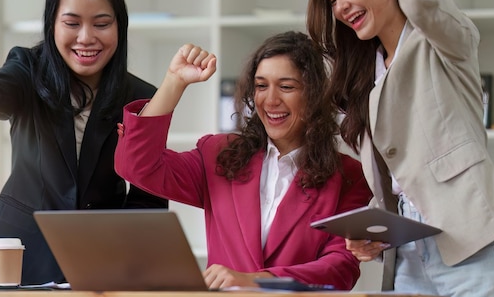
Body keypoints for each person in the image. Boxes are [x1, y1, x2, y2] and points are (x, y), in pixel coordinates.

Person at [305, 0, 494, 296]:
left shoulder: (445, 41)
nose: (341, 6)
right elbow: (402, 180)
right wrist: (371, 228)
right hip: (407, 258)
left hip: (471, 248)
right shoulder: (366, 78)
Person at [0, 0, 168, 285]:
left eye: (102, 23)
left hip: (101, 265)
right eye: (72, 22)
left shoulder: (141, 97)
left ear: (119, 26)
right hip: (17, 259)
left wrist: (129, 263)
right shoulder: (27, 70)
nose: (86, 37)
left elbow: (148, 195)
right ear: (53, 24)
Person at [114, 31, 373, 290]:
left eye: (286, 87)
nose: (270, 100)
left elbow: (341, 266)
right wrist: (174, 81)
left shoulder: (349, 176)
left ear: (314, 95)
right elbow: (137, 166)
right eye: (261, 86)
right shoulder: (220, 154)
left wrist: (259, 282)